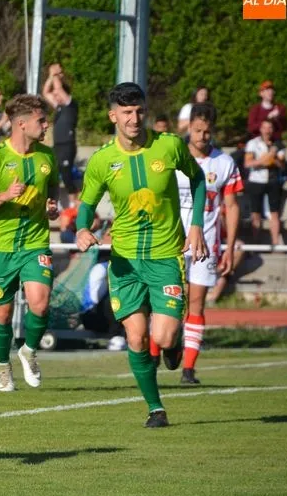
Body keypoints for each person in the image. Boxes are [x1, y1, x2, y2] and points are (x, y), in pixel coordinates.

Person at [75, 82, 208, 428]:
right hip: (125, 262)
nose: (134, 119)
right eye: (127, 113)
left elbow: (197, 180)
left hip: (165, 257)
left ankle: (173, 341)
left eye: (139, 111)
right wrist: (82, 228)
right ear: (113, 116)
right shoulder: (103, 161)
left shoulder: (169, 146)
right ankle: (155, 408)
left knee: (161, 337)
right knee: (136, 336)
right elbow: (86, 204)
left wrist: (195, 226)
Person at [0, 94, 59, 392]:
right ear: (22, 123)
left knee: (41, 304)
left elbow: (52, 191)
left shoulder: (47, 157)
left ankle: (29, 351)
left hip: (35, 243)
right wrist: (5, 195)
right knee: (2, 314)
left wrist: (51, 207)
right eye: (41, 121)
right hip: (2, 246)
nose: (46, 125)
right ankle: (3, 366)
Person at [163, 103, 242, 385]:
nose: (202, 136)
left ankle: (188, 369)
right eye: (197, 130)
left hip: (205, 245)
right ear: (188, 127)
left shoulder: (224, 163)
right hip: (169, 241)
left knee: (196, 304)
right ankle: (161, 349)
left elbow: (231, 207)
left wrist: (230, 248)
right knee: (170, 303)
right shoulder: (173, 156)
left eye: (207, 131)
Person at [42, 64, 79, 205]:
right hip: (57, 145)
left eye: (58, 95)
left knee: (66, 172)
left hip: (67, 145)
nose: (55, 97)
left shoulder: (70, 104)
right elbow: (46, 92)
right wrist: (51, 76)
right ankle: (53, 202)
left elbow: (57, 88)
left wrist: (55, 74)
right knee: (50, 170)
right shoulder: (58, 107)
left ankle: (74, 201)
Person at [244, 119, 284, 245]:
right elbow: (248, 163)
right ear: (260, 129)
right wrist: (265, 160)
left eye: (270, 127)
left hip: (273, 181)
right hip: (256, 180)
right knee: (255, 213)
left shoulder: (278, 145)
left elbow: (282, 164)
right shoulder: (253, 143)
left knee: (275, 213)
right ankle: (255, 243)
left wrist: (273, 156)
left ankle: (275, 243)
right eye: (265, 127)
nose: (267, 130)